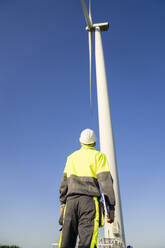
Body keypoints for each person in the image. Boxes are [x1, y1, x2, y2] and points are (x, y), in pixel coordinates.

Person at [58, 128, 116, 248]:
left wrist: (63, 205)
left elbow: (64, 184)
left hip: (70, 203)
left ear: (80, 142)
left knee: (65, 243)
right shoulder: (99, 156)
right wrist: (111, 208)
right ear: (95, 143)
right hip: (89, 203)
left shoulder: (71, 158)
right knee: (87, 243)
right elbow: (106, 183)